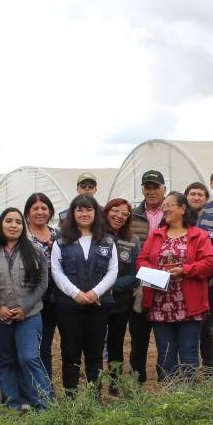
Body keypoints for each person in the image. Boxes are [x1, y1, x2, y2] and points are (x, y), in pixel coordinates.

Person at [137, 192, 213, 381]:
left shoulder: (198, 236)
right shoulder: (156, 235)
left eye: (170, 205)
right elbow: (141, 260)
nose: (165, 208)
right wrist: (156, 273)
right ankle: (169, 398)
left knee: (189, 353)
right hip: (160, 304)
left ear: (182, 209)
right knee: (166, 355)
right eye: (164, 205)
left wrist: (185, 270)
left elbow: (210, 263)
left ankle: (188, 398)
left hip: (189, 305)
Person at [0, 207, 53, 410]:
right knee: (6, 360)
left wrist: (25, 306)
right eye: (8, 221)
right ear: (0, 224)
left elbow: (42, 282)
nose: (13, 225)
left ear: (23, 226)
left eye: (17, 222)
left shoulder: (35, 249)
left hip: (29, 314)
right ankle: (12, 404)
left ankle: (43, 403)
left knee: (28, 357)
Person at [51, 194, 117, 395]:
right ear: (72, 213)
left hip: (98, 306)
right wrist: (76, 293)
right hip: (69, 306)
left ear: (96, 213)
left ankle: (94, 396)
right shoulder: (61, 241)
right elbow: (56, 270)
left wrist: (96, 292)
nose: (84, 213)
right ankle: (71, 396)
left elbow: (112, 271)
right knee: (70, 353)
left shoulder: (107, 241)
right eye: (79, 209)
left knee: (95, 354)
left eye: (88, 209)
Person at [127, 169, 166, 382]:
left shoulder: (171, 214)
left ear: (164, 189)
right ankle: (137, 381)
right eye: (147, 187)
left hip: (166, 284)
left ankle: (166, 378)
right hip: (139, 285)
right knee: (138, 338)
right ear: (143, 190)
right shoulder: (132, 216)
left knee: (164, 336)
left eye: (156, 187)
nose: (151, 192)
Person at [187, 180, 213, 373]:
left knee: (209, 326)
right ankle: (188, 366)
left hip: (209, 282)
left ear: (206, 199)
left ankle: (211, 365)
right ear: (186, 197)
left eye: (200, 195)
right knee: (187, 326)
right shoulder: (180, 220)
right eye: (192, 194)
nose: (196, 197)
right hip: (186, 280)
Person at [103, 197, 140, 386]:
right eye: (115, 210)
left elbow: (135, 273)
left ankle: (114, 383)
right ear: (107, 210)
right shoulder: (94, 235)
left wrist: (110, 286)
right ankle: (94, 383)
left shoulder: (132, 241)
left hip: (120, 302)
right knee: (93, 344)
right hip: (96, 301)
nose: (119, 216)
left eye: (125, 213)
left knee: (116, 344)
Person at [24, 192, 60, 381]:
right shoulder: (22, 235)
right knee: (32, 347)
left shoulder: (57, 234)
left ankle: (46, 386)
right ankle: (32, 387)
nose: (40, 212)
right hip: (31, 297)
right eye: (35, 208)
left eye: (44, 208)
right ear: (27, 213)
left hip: (54, 298)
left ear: (50, 211)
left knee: (45, 346)